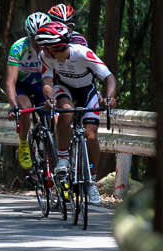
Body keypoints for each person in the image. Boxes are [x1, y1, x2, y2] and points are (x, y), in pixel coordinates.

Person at [34, 21, 117, 205]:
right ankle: (63, 159)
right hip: (65, 89)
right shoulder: (45, 56)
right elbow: (47, 80)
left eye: (45, 47)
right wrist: (50, 97)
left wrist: (109, 97)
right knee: (65, 111)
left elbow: (109, 77)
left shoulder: (82, 53)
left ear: (53, 48)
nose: (42, 50)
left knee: (91, 136)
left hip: (87, 91)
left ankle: (91, 181)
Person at [4, 12, 51, 170]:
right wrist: (12, 105)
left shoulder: (52, 47)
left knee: (52, 114)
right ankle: (23, 144)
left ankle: (55, 148)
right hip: (22, 85)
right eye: (34, 39)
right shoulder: (18, 48)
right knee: (25, 108)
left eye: (42, 38)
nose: (39, 43)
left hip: (41, 84)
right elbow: (11, 80)